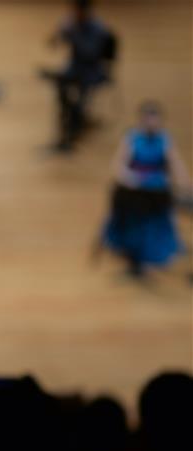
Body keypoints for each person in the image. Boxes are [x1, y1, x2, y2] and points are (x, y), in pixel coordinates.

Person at [101, 101, 190, 277]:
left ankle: (149, 261)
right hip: (136, 191)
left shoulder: (164, 139)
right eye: (148, 119)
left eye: (154, 119)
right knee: (133, 228)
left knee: (155, 229)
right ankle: (135, 262)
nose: (151, 123)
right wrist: (128, 178)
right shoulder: (132, 137)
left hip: (157, 192)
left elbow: (175, 164)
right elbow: (119, 164)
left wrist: (186, 183)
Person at [41, 0, 117, 151]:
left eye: (76, 11)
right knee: (61, 87)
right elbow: (51, 44)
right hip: (74, 69)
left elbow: (90, 54)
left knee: (78, 100)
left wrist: (73, 34)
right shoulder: (72, 24)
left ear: (84, 11)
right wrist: (58, 32)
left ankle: (76, 124)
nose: (74, 14)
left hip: (92, 71)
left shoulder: (97, 28)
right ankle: (72, 125)